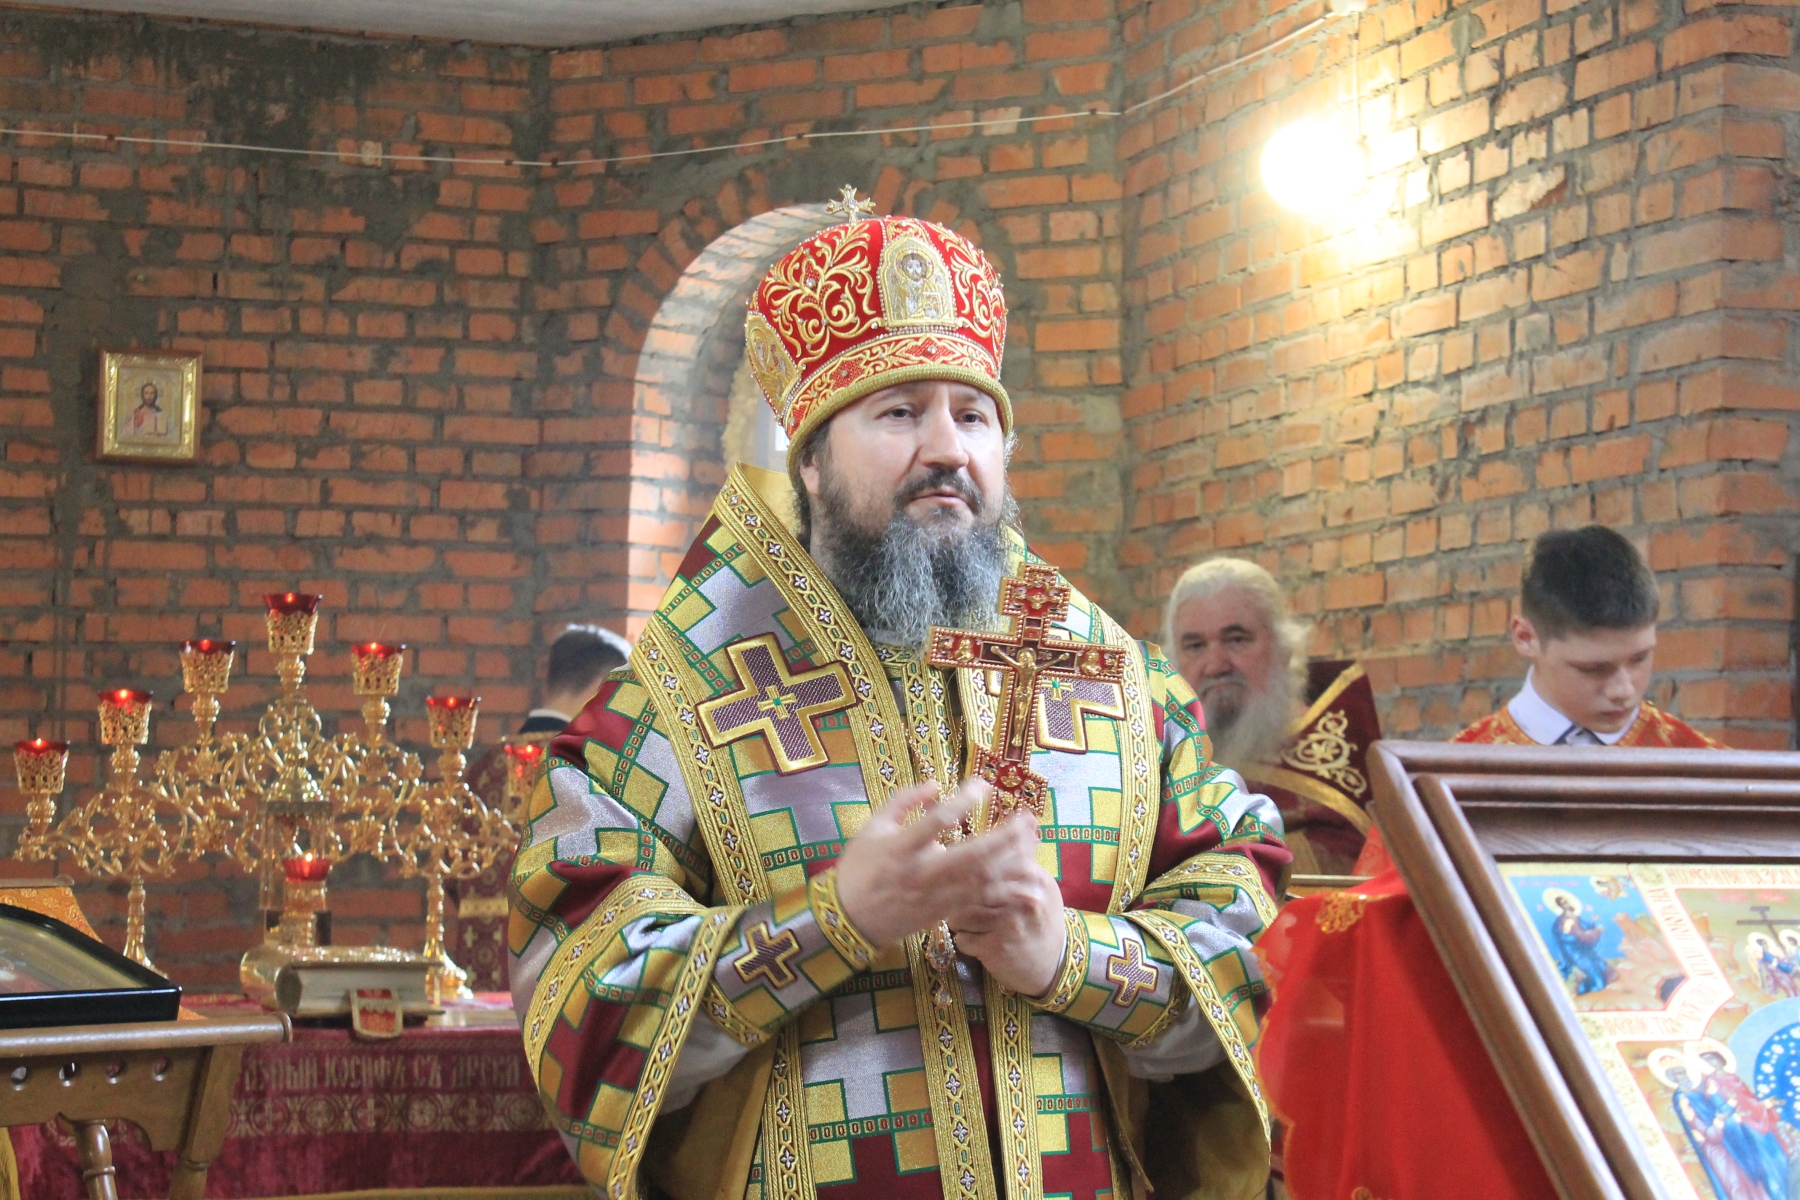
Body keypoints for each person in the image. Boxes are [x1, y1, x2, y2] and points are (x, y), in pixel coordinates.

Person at [510, 199, 1290, 1200]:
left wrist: (1072, 958)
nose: (946, 449)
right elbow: (576, 990)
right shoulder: (678, 692)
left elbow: (1256, 933)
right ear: (809, 460)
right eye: (898, 413)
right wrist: (836, 918)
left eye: (973, 416)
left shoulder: (1113, 681)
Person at [1164, 558, 1382, 876]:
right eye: (1195, 646)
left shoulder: (1338, 769)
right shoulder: (1159, 767)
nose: (1216, 665)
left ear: (1283, 648)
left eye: (1236, 640)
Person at [453, 624, 630, 991]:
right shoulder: (591, 768)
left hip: (478, 980)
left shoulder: (481, 772)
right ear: (602, 687)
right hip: (560, 988)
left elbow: (451, 877)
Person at [1453, 525, 1722, 748]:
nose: (1623, 691)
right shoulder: (1451, 775)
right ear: (1525, 638)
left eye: (1640, 659)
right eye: (1593, 669)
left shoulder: (1708, 769)